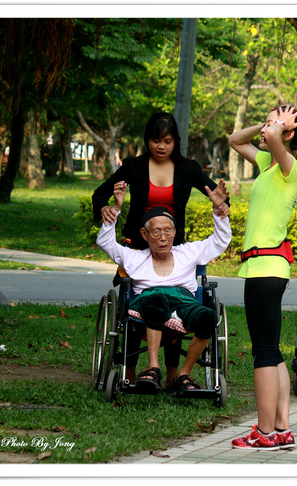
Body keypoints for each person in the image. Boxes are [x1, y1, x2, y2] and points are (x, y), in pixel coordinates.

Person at [92, 112, 230, 387]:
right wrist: (108, 208)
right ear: (148, 140)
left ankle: (173, 374)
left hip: (173, 245)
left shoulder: (188, 168)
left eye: (167, 141)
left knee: (176, 299)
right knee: (144, 302)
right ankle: (133, 372)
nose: (161, 146)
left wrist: (220, 207)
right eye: (156, 140)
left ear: (175, 141)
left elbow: (220, 199)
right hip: (139, 244)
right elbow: (100, 194)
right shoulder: (134, 166)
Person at [227, 104, 297, 451]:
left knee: (263, 352)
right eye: (266, 123)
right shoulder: (267, 163)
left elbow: (273, 140)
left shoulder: (289, 168)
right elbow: (235, 140)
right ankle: (281, 429)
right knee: (273, 352)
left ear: (288, 134)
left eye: (274, 125)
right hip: (261, 268)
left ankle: (264, 432)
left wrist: (277, 127)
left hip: (267, 268)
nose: (266, 130)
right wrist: (266, 125)